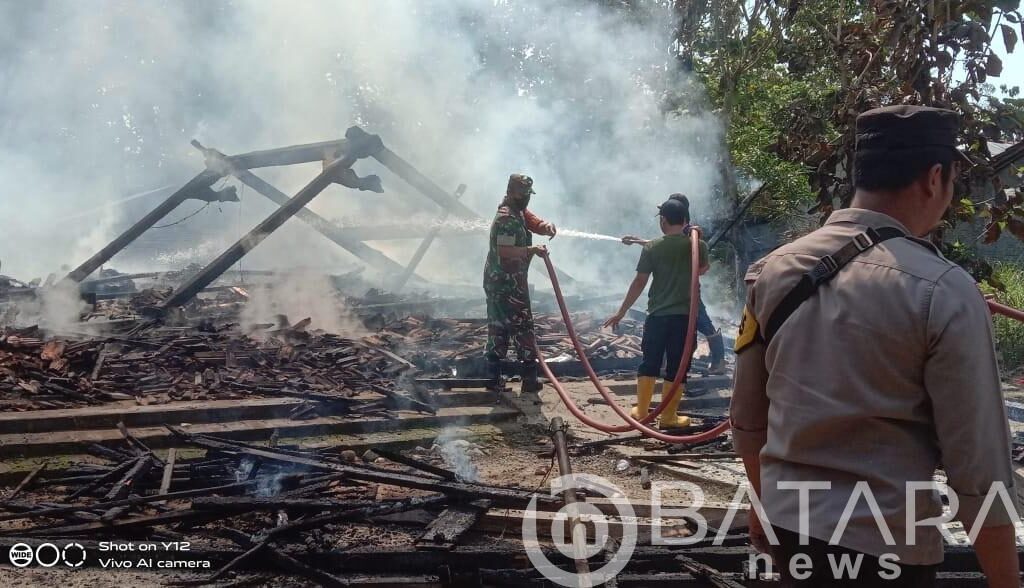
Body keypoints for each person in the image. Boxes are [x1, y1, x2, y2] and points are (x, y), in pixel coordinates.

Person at [731, 105, 1019, 587]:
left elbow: (747, 420)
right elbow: (980, 474)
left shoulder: (774, 270)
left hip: (789, 529)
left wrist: (762, 503)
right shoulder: (942, 291)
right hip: (884, 547)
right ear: (934, 179)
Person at [605, 196, 709, 428]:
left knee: (650, 361)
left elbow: (639, 282)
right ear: (685, 220)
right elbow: (702, 269)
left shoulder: (652, 247)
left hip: (657, 317)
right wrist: (695, 241)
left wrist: (621, 311)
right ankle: (669, 417)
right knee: (677, 365)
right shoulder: (697, 244)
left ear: (663, 221)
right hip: (684, 319)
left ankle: (641, 412)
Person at [622, 194, 725, 375]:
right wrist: (638, 241)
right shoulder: (684, 233)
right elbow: (666, 245)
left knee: (705, 326)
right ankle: (665, 365)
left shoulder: (691, 233)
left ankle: (718, 361)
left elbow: (698, 263)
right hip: (682, 295)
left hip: (688, 296)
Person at [483, 174, 556, 395]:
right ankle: (515, 378)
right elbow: (505, 252)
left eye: (528, 195)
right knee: (510, 327)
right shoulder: (506, 219)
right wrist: (531, 250)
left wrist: (544, 226)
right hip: (504, 284)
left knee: (511, 326)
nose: (526, 199)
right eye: (523, 194)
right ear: (512, 192)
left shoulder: (517, 211)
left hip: (510, 281)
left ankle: (510, 379)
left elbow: (528, 217)